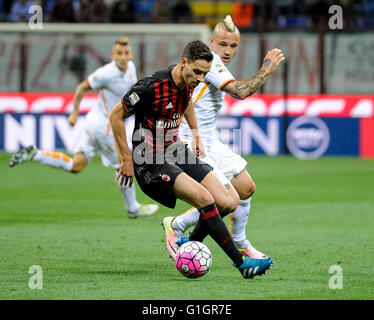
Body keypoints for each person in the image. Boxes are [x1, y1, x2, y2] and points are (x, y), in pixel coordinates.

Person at [109, 40, 273, 279]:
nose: (200, 78)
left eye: (205, 73)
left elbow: (185, 102)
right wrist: (126, 160)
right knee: (205, 199)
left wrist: (195, 134)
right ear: (183, 63)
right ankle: (242, 264)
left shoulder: (188, 82)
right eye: (197, 72)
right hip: (149, 159)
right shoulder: (150, 86)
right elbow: (115, 116)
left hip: (175, 149)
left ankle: (189, 248)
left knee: (229, 201)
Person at [163, 16, 284, 259]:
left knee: (246, 188)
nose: (227, 51)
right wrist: (267, 68)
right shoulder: (211, 62)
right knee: (227, 200)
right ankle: (180, 229)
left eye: (233, 45)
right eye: (223, 44)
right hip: (189, 141)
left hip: (210, 140)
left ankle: (238, 240)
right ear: (211, 42)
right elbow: (240, 92)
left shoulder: (215, 63)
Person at [9, 37, 159, 219]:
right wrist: (74, 112)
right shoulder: (105, 73)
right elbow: (81, 88)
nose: (122, 57)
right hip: (103, 126)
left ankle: (35, 154)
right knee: (124, 164)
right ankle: (132, 208)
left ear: (131, 54)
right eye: (119, 53)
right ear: (112, 55)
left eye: (126, 53)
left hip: (93, 123)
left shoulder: (132, 68)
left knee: (76, 165)